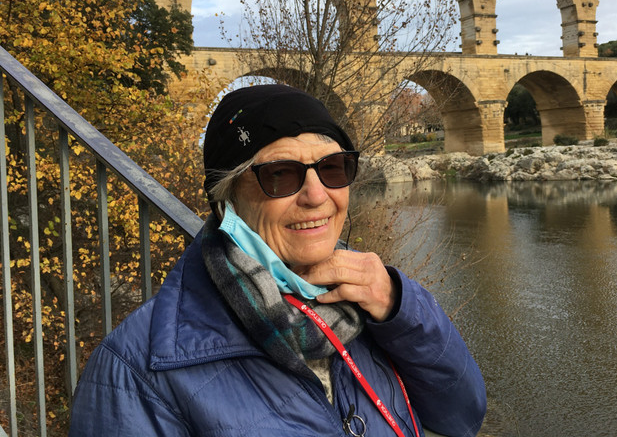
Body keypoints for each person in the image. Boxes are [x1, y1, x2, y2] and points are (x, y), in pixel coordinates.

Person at [69, 84, 486, 437]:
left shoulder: (372, 299)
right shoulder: (138, 369)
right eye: (281, 175)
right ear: (227, 197)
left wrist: (400, 307)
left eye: (334, 168)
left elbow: (462, 414)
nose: (317, 196)